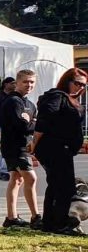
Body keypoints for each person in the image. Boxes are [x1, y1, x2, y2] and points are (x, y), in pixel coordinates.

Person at [33, 67, 87, 235]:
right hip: (54, 148)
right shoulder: (57, 96)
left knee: (56, 185)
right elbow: (44, 120)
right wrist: (34, 144)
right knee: (65, 188)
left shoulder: (70, 100)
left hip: (63, 149)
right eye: (77, 83)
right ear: (67, 82)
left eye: (84, 85)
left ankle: (50, 223)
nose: (80, 88)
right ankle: (60, 224)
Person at [0, 70, 40, 229]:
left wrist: (31, 123)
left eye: (32, 82)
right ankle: (36, 217)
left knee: (16, 180)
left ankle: (11, 218)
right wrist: (30, 123)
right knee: (31, 178)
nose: (29, 85)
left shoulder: (30, 104)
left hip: (24, 146)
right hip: (13, 147)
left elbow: (34, 124)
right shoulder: (13, 102)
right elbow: (22, 125)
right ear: (17, 83)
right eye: (25, 82)